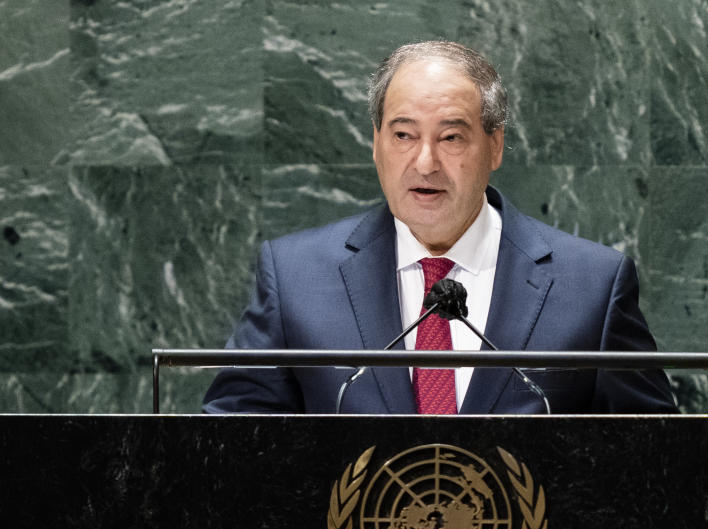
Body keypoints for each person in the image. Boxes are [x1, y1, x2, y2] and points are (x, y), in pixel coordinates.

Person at [202, 40, 676, 414]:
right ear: (376, 144)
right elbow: (229, 442)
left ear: (495, 146)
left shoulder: (593, 285)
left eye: (451, 137)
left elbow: (654, 459)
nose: (424, 163)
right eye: (403, 135)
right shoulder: (295, 277)